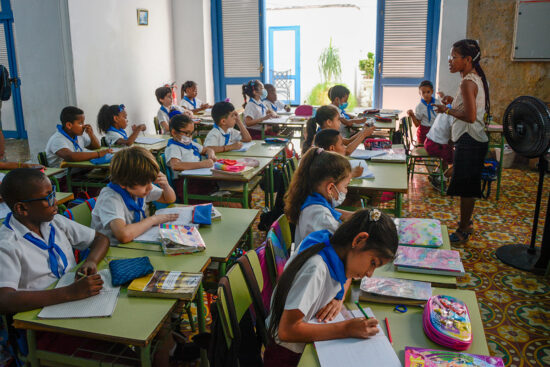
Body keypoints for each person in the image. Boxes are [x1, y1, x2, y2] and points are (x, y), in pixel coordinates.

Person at [263, 209, 398, 367]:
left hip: (303, 347)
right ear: (359, 240)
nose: (369, 274)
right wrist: (346, 328)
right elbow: (286, 331)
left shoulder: (333, 245)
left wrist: (338, 298)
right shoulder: (316, 270)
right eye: (373, 263)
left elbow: (345, 277)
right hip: (287, 356)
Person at [0, 168, 109, 314]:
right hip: (39, 314)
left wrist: (91, 261)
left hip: (73, 297)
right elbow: (5, 300)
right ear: (22, 208)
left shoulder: (55, 222)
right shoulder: (7, 244)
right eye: (48, 197)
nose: (55, 201)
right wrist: (70, 293)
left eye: (53, 193)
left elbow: (100, 238)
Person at [434, 39, 490, 244]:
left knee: (467, 188)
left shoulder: (468, 82)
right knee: (467, 185)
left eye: (453, 57)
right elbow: (467, 108)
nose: (449, 61)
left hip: (470, 140)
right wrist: (453, 101)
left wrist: (446, 109)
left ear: (467, 59)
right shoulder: (473, 79)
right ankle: (466, 222)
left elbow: (470, 116)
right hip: (471, 140)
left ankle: (463, 228)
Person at [90, 147, 177, 245]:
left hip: (133, 242)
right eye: (145, 183)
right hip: (112, 250)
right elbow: (123, 235)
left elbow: (168, 199)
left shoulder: (138, 187)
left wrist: (166, 186)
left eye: (151, 182)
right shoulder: (110, 198)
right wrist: (153, 219)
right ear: (123, 182)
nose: (150, 188)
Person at [284, 148, 354, 248]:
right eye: (345, 186)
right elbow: (345, 245)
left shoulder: (310, 199)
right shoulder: (321, 217)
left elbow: (329, 211)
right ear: (330, 187)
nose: (346, 191)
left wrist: (350, 216)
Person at [45, 106, 111, 168]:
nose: (83, 126)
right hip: (63, 176)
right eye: (80, 123)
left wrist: (91, 134)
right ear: (69, 125)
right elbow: (70, 156)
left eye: (83, 122)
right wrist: (98, 154)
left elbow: (96, 147)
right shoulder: (57, 139)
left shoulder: (78, 135)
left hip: (77, 171)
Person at [302, 105, 374, 154]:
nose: (340, 123)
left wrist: (363, 131)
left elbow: (348, 142)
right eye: (338, 120)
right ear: (329, 122)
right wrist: (363, 134)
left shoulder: (329, 133)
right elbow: (346, 151)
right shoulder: (324, 136)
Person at [407, 80, 439, 145]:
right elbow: (417, 125)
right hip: (424, 133)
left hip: (436, 131)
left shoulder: (437, 103)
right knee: (427, 150)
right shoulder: (419, 107)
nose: (426, 94)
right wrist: (412, 115)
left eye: (428, 92)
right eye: (423, 92)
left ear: (432, 92)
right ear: (420, 93)